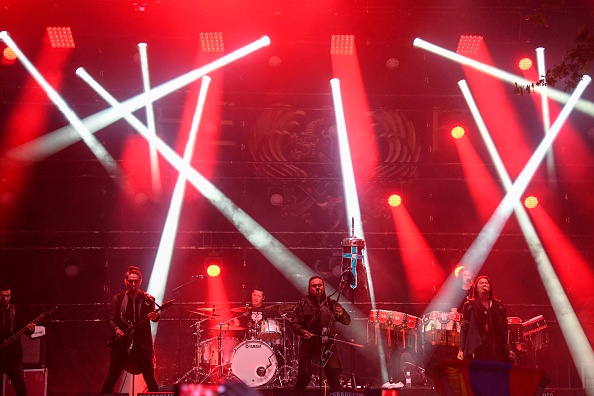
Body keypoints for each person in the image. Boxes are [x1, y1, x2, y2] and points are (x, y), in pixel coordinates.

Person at [101, 266, 160, 393]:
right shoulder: (118, 299)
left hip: (142, 345)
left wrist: (155, 316)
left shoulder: (148, 299)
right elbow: (110, 319)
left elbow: (155, 317)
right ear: (125, 281)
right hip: (123, 343)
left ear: (140, 282)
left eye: (136, 281)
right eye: (131, 281)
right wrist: (116, 329)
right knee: (112, 377)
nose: (133, 284)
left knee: (150, 379)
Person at [291, 276, 351, 391]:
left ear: (323, 287)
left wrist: (342, 313)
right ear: (309, 288)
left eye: (320, 285)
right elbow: (294, 323)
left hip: (329, 348)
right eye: (314, 286)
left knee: (334, 383)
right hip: (309, 348)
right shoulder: (302, 304)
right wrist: (302, 332)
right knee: (302, 382)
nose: (317, 287)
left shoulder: (332, 304)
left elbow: (347, 321)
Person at [457, 275, 515, 362]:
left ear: (490, 287)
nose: (484, 285)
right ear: (476, 288)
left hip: (496, 348)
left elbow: (505, 329)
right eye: (481, 283)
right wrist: (461, 349)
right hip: (477, 347)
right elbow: (464, 328)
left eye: (486, 283)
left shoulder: (499, 306)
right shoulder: (469, 305)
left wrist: (509, 348)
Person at [0, 284, 35, 396]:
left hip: (13, 355)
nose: (5, 299)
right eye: (2, 296)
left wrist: (30, 330)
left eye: (8, 296)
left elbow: (25, 329)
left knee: (20, 386)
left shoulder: (16, 310)